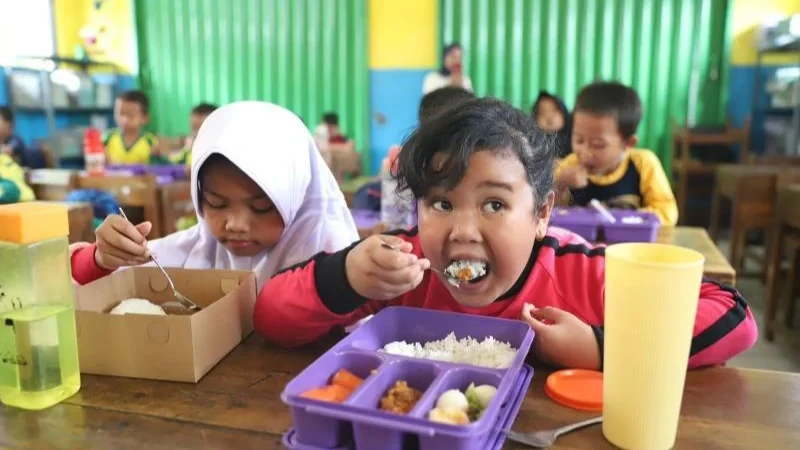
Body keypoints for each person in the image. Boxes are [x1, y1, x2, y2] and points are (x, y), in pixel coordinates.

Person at [252, 97, 757, 371]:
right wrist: (348, 277)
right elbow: (272, 316)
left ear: (541, 214)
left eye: (494, 204)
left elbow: (733, 316)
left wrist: (602, 349)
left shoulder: (576, 274)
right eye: (441, 203)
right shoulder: (400, 266)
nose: (463, 230)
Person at [69, 101, 360, 289]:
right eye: (216, 203)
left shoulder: (334, 259)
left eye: (260, 207)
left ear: (296, 198)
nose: (234, 223)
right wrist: (102, 257)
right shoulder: (198, 250)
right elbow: (76, 276)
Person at [554, 81, 678, 225]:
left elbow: (667, 212)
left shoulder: (643, 164)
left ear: (628, 143)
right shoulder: (571, 164)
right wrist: (560, 183)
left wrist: (626, 220)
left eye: (597, 145)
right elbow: (544, 209)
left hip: (632, 245)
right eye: (579, 140)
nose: (584, 152)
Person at [104, 90, 159, 165]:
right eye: (120, 114)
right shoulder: (107, 138)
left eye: (131, 115)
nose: (124, 120)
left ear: (145, 118)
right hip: (112, 176)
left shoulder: (151, 142)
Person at [168, 103, 219, 168]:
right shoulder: (189, 149)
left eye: (201, 128)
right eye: (194, 128)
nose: (196, 134)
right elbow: (175, 163)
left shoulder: (217, 152)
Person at [531, 91, 572, 158]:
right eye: (542, 112)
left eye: (555, 110)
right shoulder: (533, 144)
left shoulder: (574, 139)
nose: (549, 117)